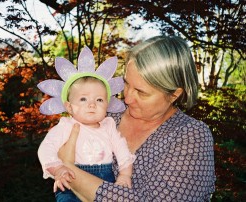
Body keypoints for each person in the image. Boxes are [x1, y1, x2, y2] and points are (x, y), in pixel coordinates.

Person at [57, 35, 216, 201]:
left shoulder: (190, 135)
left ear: (174, 94)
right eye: (126, 83)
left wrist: (69, 171)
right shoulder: (106, 116)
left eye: (141, 92)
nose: (127, 98)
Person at [37, 47, 136, 202]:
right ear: (69, 106)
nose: (92, 104)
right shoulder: (66, 126)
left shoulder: (108, 125)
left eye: (99, 100)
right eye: (83, 99)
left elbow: (122, 150)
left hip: (106, 179)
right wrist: (58, 169)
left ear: (107, 105)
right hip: (70, 179)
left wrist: (125, 175)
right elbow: (46, 148)